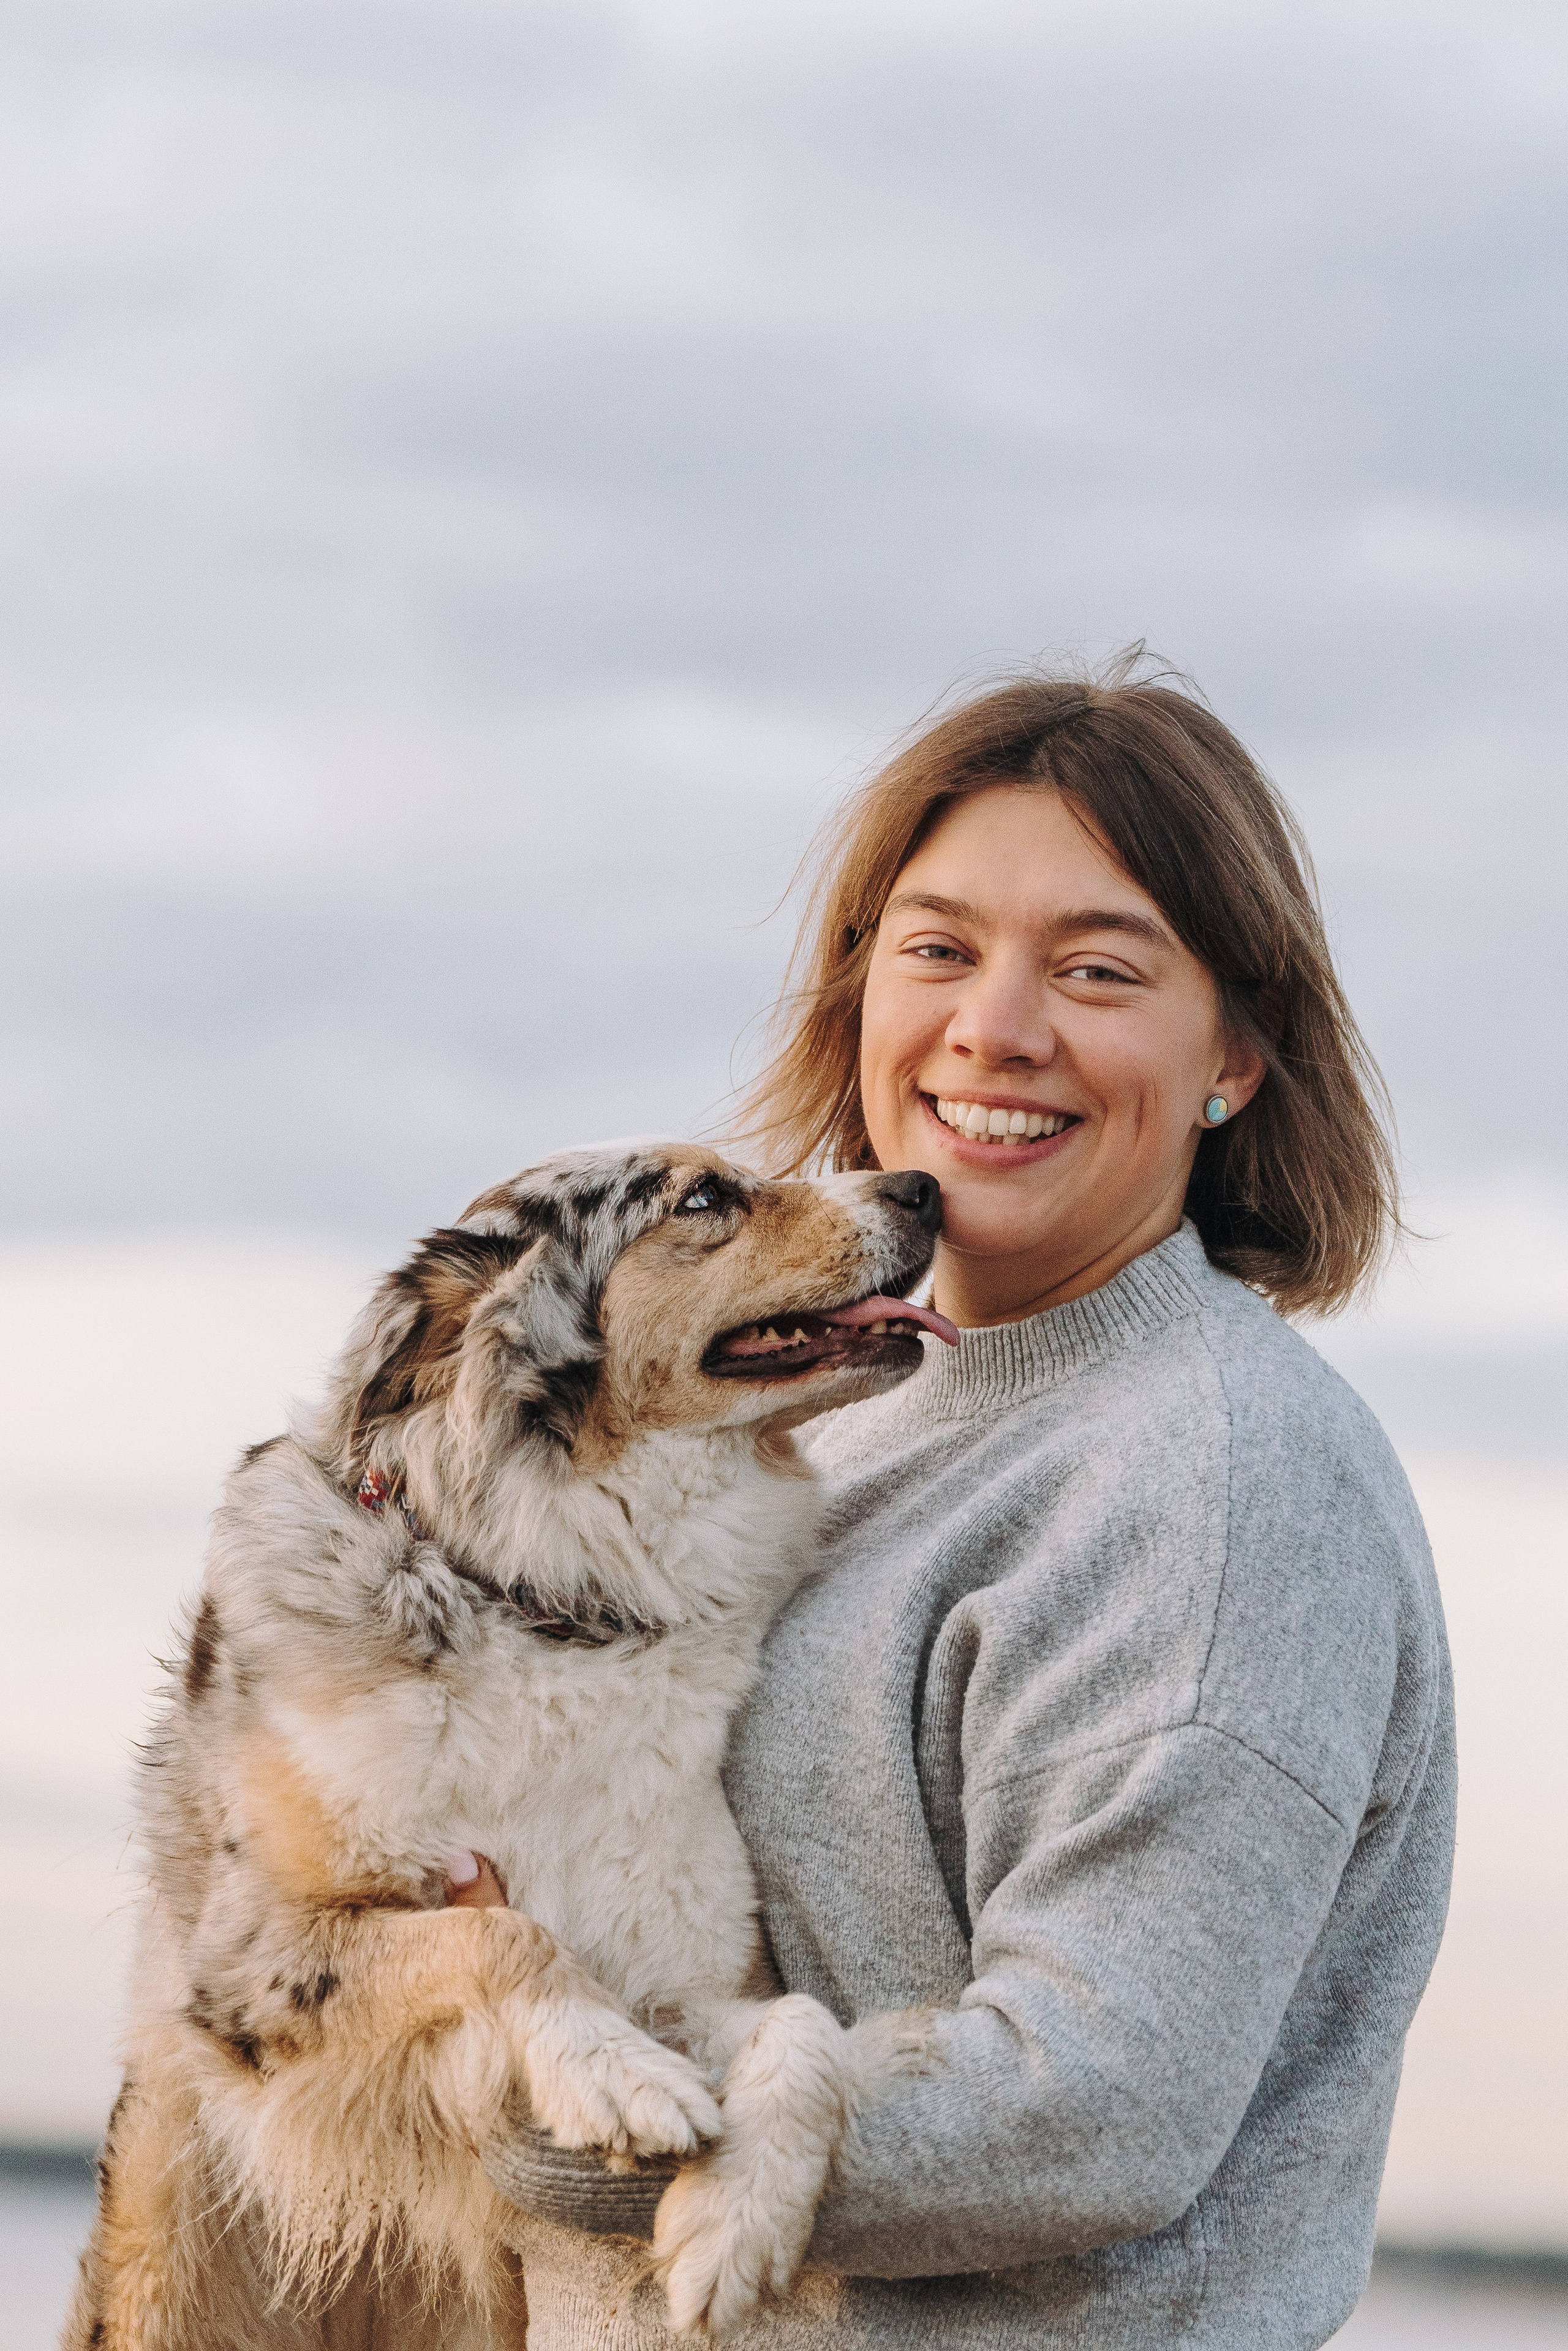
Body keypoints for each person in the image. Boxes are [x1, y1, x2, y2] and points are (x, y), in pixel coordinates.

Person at [492, 663, 1455, 2349]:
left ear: (1236, 1053)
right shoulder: (821, 1413)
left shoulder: (1218, 1481)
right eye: (937, 949)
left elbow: (1088, 2098)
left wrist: (503, 2108)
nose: (995, 1030)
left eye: (1095, 971)